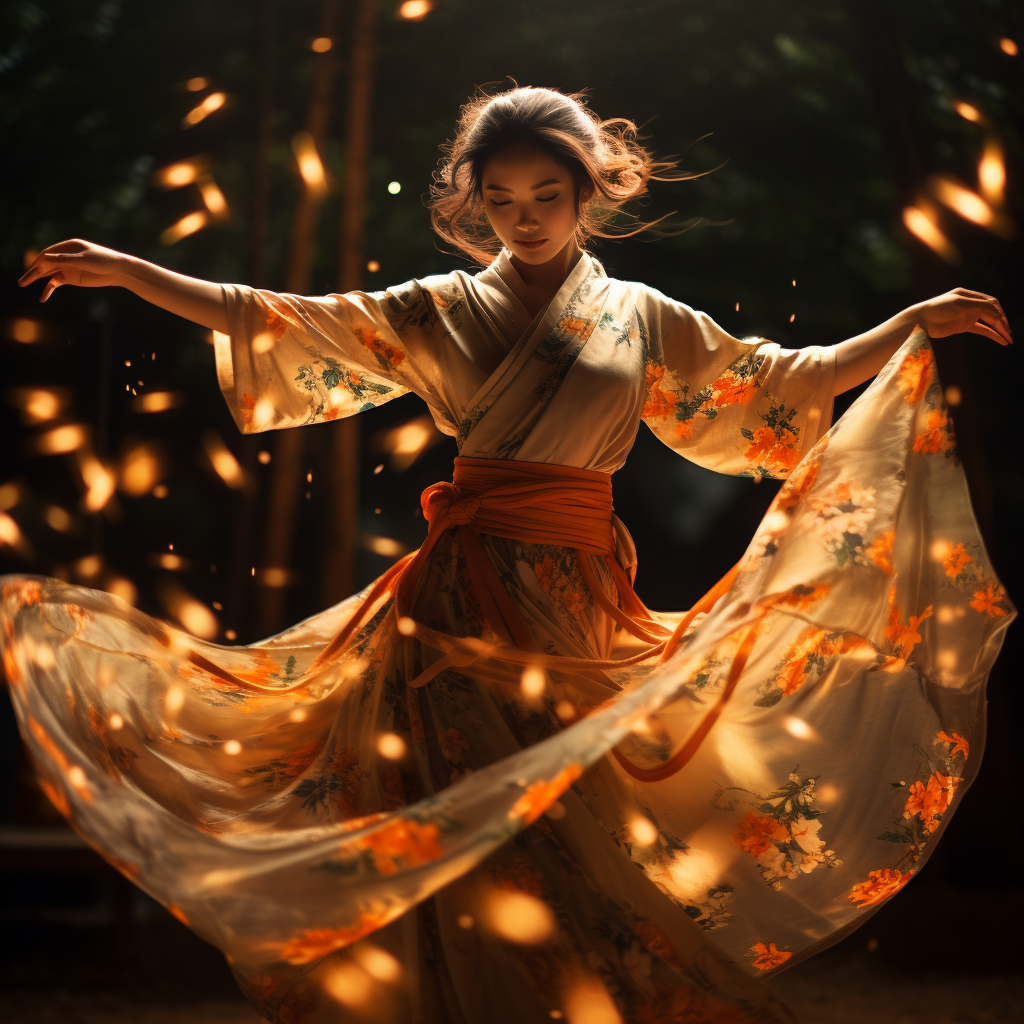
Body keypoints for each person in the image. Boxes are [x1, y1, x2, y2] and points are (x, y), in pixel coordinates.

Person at [3, 86, 1015, 1024]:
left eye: (545, 195)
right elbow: (273, 315)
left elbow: (781, 381)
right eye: (499, 199)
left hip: (579, 600)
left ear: (586, 195)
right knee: (463, 830)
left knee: (575, 825)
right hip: (456, 604)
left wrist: (911, 320)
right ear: (473, 204)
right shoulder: (435, 307)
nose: (523, 217)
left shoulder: (641, 315)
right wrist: (132, 270)